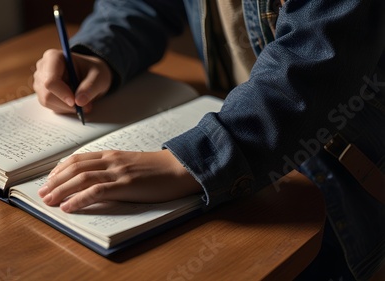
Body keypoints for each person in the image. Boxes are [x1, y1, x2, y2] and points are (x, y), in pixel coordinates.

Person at [33, 0, 385, 279]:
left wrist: (187, 162)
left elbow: (313, 65)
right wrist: (97, 54)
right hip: (240, 157)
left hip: (341, 191)